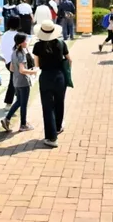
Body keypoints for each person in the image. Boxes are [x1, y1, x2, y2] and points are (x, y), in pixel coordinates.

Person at [33, 20, 71, 148]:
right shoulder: (61, 43)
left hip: (45, 77)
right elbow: (69, 60)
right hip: (60, 76)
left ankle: (51, 137)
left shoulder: (37, 46)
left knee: (48, 107)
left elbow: (37, 64)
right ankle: (58, 126)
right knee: (59, 102)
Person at [1, 32, 37, 132]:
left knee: (19, 102)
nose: (27, 42)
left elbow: (12, 68)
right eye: (25, 40)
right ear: (21, 42)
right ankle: (23, 124)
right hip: (23, 81)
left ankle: (7, 119)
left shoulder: (14, 52)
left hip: (16, 81)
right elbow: (22, 70)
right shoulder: (21, 54)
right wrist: (33, 72)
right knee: (23, 104)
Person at [0, 16, 21, 107]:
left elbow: (2, 48)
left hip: (7, 61)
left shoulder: (5, 34)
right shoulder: (18, 35)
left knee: (15, 80)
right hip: (16, 61)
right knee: (14, 81)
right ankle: (9, 102)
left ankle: (14, 100)